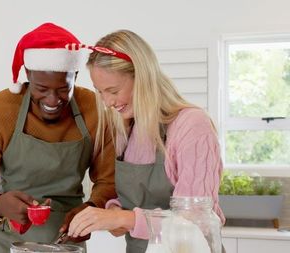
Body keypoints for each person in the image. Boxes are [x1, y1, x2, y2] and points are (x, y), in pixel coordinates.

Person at [0, 23, 116, 253]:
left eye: (64, 88)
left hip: (67, 242)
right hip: (6, 243)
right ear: (27, 75)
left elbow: (108, 181)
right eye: (41, 88)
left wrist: (92, 207)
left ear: (75, 76)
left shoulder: (96, 109)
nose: (52, 100)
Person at [66, 30, 226, 252]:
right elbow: (133, 203)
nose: (107, 103)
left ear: (143, 77)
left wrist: (123, 219)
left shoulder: (191, 125)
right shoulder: (127, 128)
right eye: (101, 92)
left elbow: (194, 224)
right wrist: (113, 212)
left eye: (113, 91)